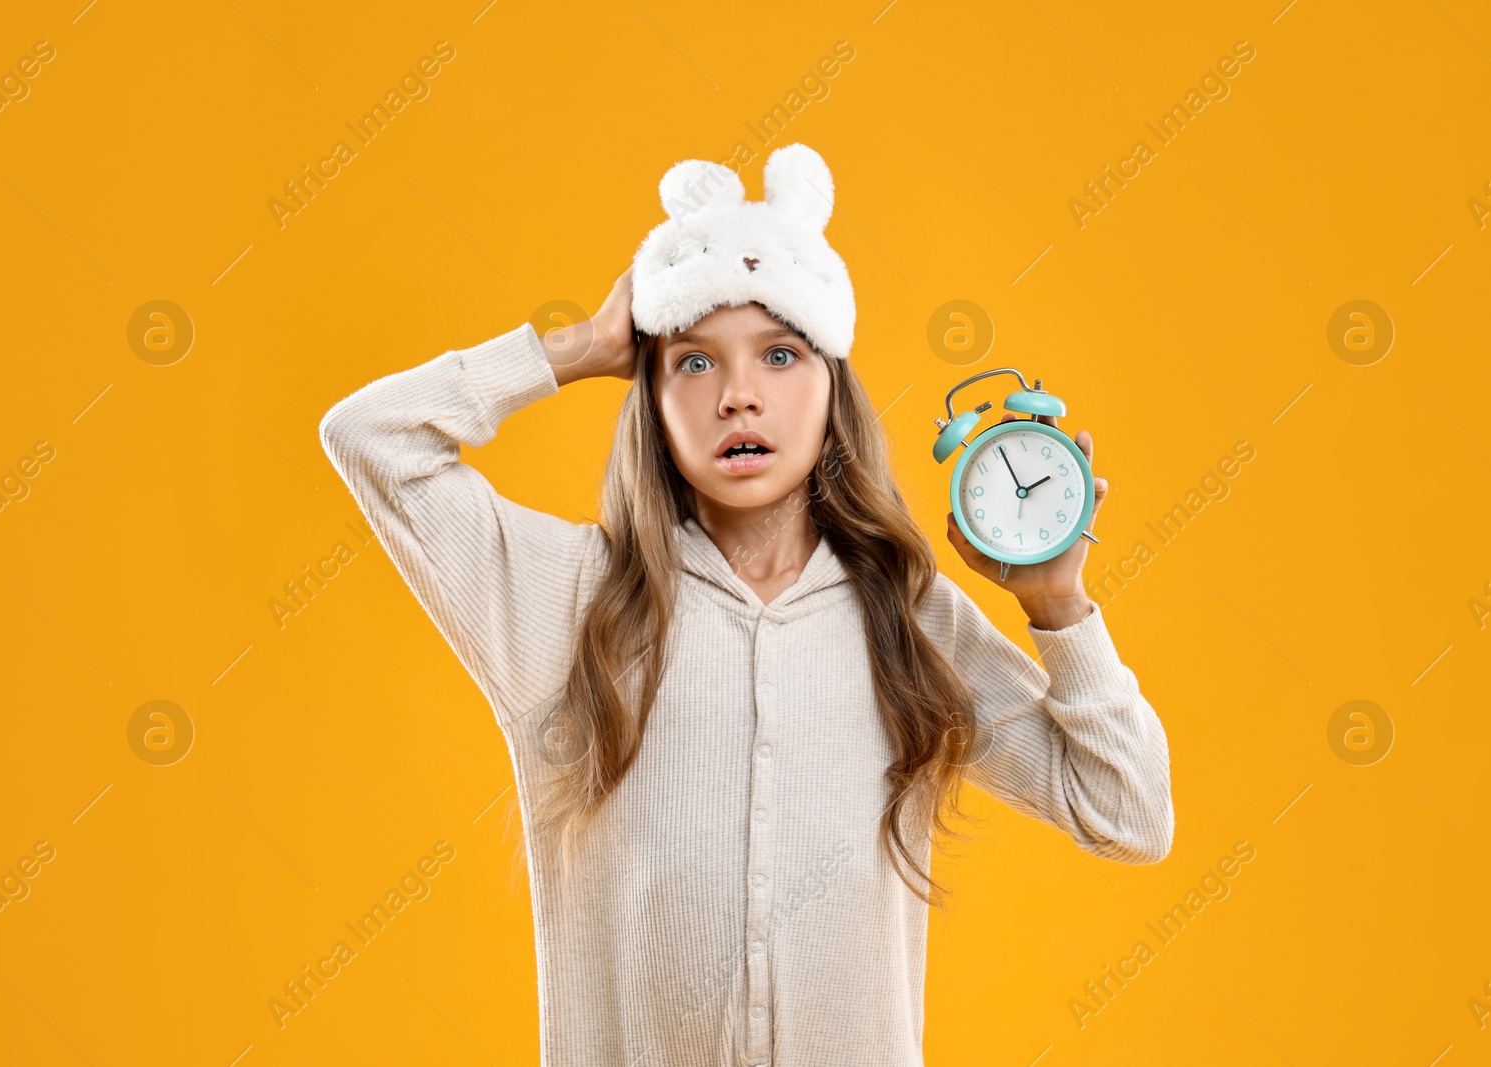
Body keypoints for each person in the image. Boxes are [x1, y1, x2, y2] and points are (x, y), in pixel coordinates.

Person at [318, 142, 1173, 1067]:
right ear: (648, 392)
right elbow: (370, 437)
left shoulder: (909, 622)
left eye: (779, 354)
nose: (737, 396)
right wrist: (581, 347)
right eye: (692, 361)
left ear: (831, 388)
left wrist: (1060, 611)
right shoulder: (566, 602)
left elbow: (1127, 813)